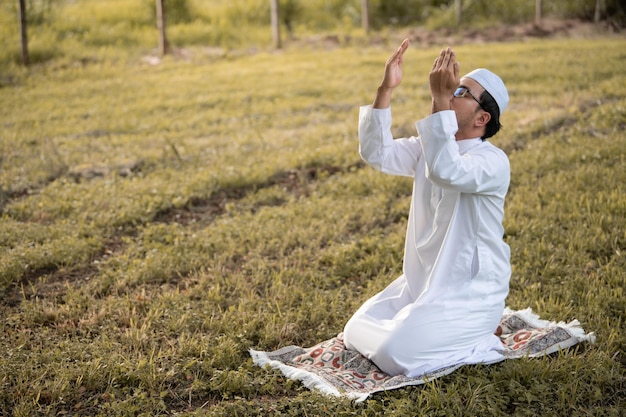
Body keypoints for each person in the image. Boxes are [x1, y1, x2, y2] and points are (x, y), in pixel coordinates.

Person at [342, 38, 512, 377]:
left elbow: (446, 171)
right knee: (354, 331)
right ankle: (436, 331)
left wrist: (438, 100)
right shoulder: (429, 147)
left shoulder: (492, 161)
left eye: (461, 92)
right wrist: (385, 89)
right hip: (423, 285)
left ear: (482, 118)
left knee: (393, 351)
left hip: (469, 295)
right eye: (454, 87)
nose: (451, 91)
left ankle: (476, 331)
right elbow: (377, 153)